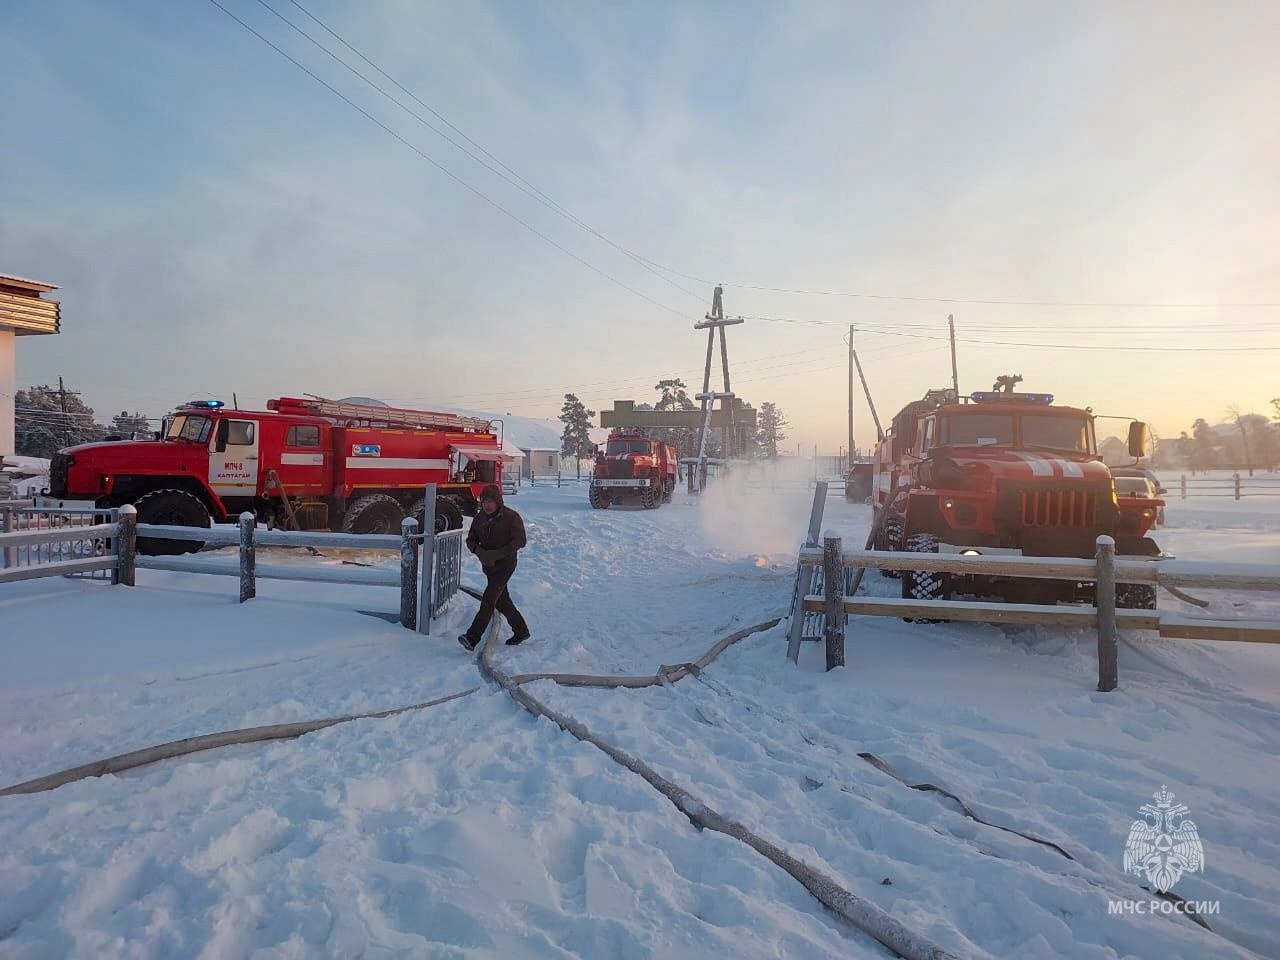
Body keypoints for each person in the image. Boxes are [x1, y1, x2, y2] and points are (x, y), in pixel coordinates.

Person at [458, 483, 530, 650]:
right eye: (484, 501)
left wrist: (499, 553)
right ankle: (521, 631)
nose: (487, 505)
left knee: (489, 599)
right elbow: (471, 540)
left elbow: (520, 540)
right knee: (502, 601)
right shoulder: (479, 518)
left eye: (490, 501)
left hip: (505, 565)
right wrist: (480, 551)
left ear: (498, 502)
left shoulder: (512, 517)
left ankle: (472, 637)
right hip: (488, 566)